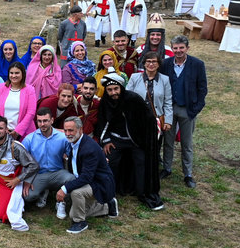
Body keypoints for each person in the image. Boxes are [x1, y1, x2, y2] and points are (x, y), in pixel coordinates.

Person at [95, 71, 164, 210]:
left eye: (116, 89)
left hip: (135, 141)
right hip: (116, 140)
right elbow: (102, 122)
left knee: (141, 162)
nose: (113, 92)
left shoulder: (133, 99)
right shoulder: (106, 102)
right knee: (109, 161)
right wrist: (106, 140)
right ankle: (110, 190)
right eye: (109, 90)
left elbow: (148, 118)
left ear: (121, 87)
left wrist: (145, 138)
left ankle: (143, 193)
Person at [160, 35, 207, 188]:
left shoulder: (197, 65)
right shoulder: (166, 64)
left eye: (181, 48)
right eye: (175, 48)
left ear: (187, 48)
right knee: (168, 141)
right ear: (171, 49)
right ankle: (167, 168)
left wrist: (196, 108)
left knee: (186, 143)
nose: (178, 51)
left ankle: (187, 173)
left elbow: (202, 88)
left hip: (188, 109)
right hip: (169, 108)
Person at [57, 117, 118, 234]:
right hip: (88, 180)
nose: (68, 134)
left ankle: (80, 222)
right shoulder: (74, 142)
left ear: (80, 130)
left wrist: (64, 189)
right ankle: (107, 206)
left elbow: (86, 177)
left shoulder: (89, 148)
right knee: (72, 213)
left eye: (71, 130)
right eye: (65, 131)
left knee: (76, 193)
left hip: (99, 182)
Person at [22, 108, 73, 218]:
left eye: (45, 120)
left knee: (72, 179)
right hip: (38, 175)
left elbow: (73, 154)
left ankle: (61, 202)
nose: (42, 124)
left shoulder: (62, 138)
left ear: (52, 120)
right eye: (39, 121)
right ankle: (43, 191)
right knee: (28, 196)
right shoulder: (29, 139)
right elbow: (22, 161)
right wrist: (27, 179)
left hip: (57, 172)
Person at [128, 52, 173, 169]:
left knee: (155, 146)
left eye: (154, 62)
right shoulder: (135, 77)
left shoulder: (165, 80)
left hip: (156, 120)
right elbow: (127, 99)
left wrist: (168, 120)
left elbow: (168, 101)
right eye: (148, 61)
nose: (151, 64)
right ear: (144, 63)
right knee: (138, 145)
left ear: (158, 64)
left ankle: (152, 169)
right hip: (138, 119)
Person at [0, 61, 37, 141]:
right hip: (2, 133)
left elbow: (31, 113)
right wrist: (2, 127)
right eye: (11, 73)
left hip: (24, 134)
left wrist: (17, 131)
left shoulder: (30, 90)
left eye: (17, 73)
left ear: (23, 74)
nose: (14, 76)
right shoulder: (1, 87)